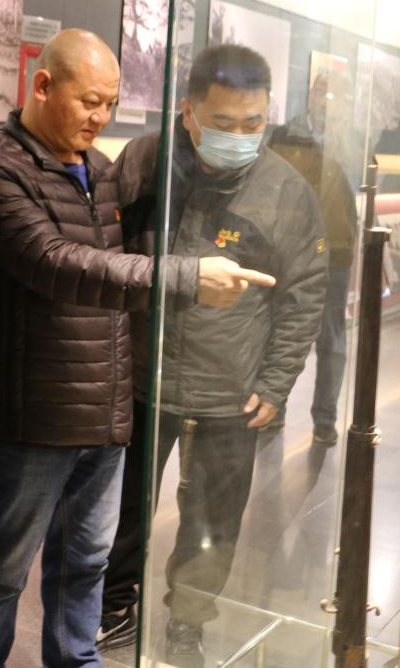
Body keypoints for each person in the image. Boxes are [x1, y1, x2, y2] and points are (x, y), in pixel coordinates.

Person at [0, 30, 273, 667]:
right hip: (32, 415)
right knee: (4, 568)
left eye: (110, 104)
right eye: (89, 101)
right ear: (44, 86)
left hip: (105, 412)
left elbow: (119, 274)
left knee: (88, 562)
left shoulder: (101, 170)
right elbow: (58, 263)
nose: (100, 117)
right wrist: (187, 277)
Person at [98, 44, 329, 665]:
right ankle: (113, 608)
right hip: (139, 380)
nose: (240, 137)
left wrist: (276, 382)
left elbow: (305, 294)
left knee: (212, 522)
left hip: (230, 389)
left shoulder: (286, 191)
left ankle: (188, 621)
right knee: (119, 511)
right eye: (223, 123)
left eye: (254, 124)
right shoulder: (144, 162)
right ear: (188, 112)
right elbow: (102, 257)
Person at [266, 69, 359, 444]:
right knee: (278, 328)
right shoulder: (285, 135)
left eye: (336, 96)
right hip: (288, 247)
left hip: (335, 249)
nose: (325, 102)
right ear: (310, 95)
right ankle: (273, 407)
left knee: (331, 338)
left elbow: (365, 185)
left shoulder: (353, 143)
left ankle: (325, 418)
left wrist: (342, 143)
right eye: (321, 92)